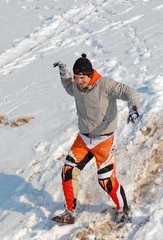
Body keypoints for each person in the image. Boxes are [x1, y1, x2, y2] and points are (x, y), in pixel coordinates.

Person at [51, 54, 141, 225]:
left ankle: (124, 209)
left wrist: (134, 109)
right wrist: (64, 73)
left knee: (105, 180)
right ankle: (69, 212)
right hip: (84, 139)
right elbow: (68, 85)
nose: (79, 81)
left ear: (90, 74)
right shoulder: (76, 86)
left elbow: (129, 93)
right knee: (68, 172)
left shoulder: (105, 85)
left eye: (82, 78)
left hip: (104, 140)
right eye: (76, 78)